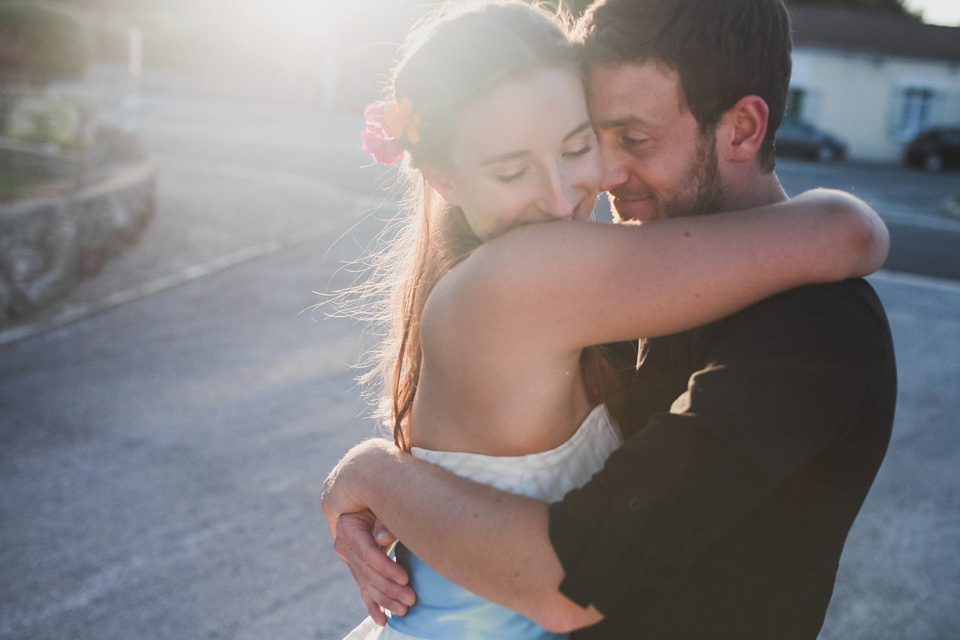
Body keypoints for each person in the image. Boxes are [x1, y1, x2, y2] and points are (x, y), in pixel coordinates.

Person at [325, 0, 895, 638]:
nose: (590, 182)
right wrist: (377, 477)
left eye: (631, 139)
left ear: (740, 129)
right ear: (445, 179)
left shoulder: (815, 331)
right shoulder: (574, 282)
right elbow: (845, 230)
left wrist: (374, 474)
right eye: (598, 137)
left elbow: (574, 576)